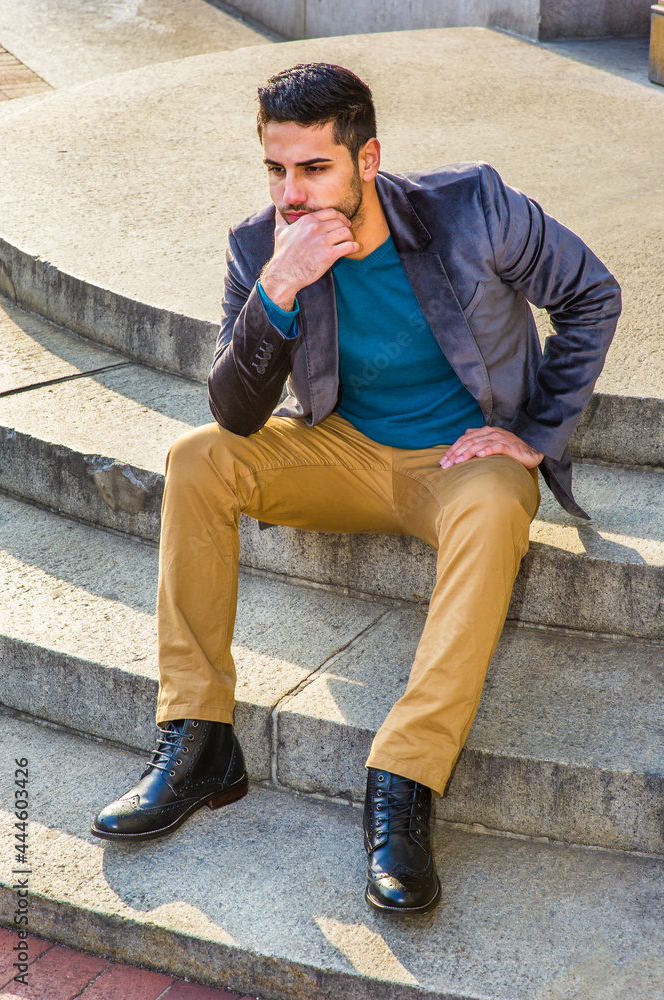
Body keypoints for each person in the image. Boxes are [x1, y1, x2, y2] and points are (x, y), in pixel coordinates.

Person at [91, 62, 621, 915]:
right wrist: (280, 286)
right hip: (341, 450)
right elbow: (233, 414)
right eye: (275, 169)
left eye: (313, 169)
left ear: (366, 158)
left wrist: (532, 434)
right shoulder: (259, 246)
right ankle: (197, 740)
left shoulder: (472, 209)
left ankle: (404, 785)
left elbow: (591, 295)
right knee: (197, 458)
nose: (290, 194)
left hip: (461, 463)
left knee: (491, 508)